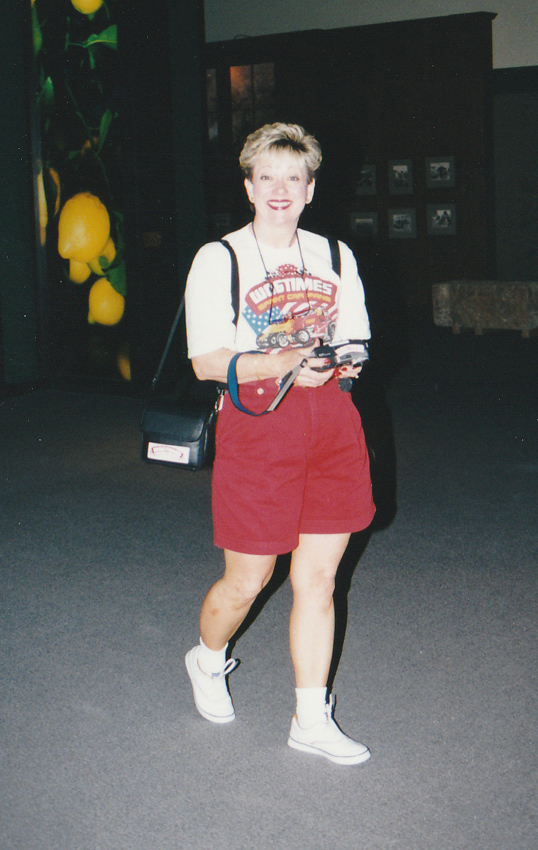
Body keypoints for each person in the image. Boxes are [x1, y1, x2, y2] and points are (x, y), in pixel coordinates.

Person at [184, 123, 375, 765]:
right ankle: (207, 658)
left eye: (294, 177)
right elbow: (207, 361)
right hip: (260, 426)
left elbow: (356, 341)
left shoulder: (336, 256)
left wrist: (338, 363)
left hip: (332, 425)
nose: (280, 189)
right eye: (267, 175)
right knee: (250, 579)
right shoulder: (220, 258)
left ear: (311, 189)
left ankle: (310, 719)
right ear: (248, 186)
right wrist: (285, 362)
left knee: (318, 580)